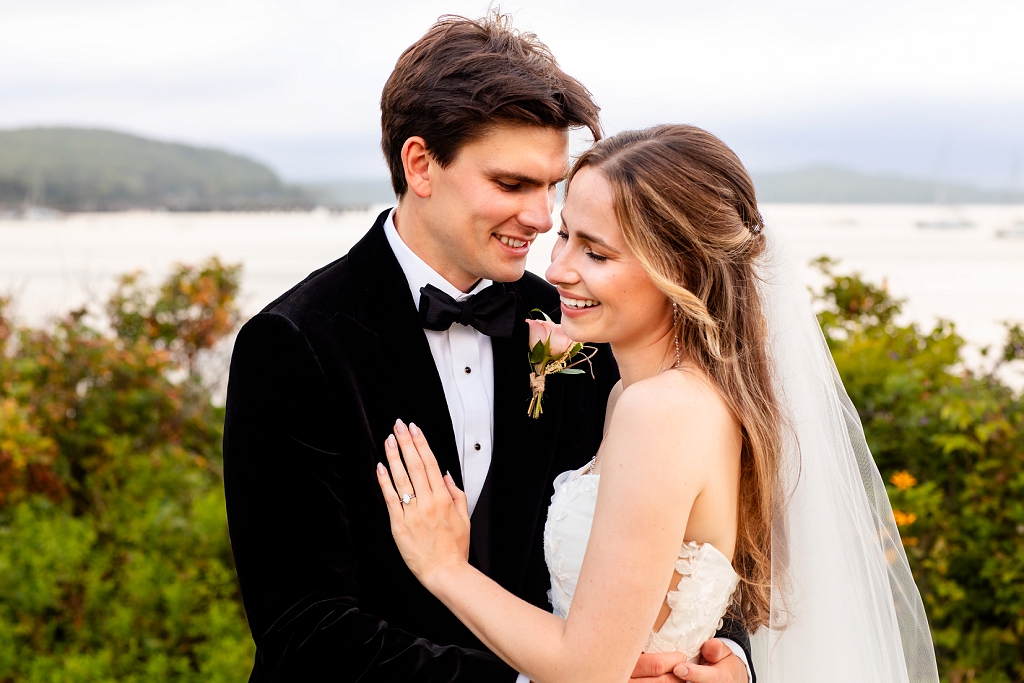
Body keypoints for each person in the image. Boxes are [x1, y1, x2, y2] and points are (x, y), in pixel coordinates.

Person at [223, 14, 753, 682]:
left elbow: (671, 542)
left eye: (551, 186)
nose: (540, 219)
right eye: (512, 184)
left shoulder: (585, 321)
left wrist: (727, 656)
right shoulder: (294, 344)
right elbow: (303, 626)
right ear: (421, 165)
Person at [376, 125, 942, 683]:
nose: (557, 270)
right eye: (566, 235)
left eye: (596, 253)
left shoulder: (661, 412)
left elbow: (587, 668)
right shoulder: (656, 389)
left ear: (681, 271)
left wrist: (445, 568)